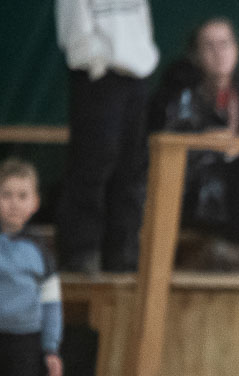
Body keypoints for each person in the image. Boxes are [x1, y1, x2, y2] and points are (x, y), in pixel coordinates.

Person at [148, 17, 239, 273]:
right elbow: (167, 150)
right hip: (197, 195)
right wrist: (210, 145)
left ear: (236, 50)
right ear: (195, 55)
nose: (219, 53)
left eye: (225, 44)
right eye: (209, 46)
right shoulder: (176, 94)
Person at [55, 0, 159, 274]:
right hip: (98, 78)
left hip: (136, 77)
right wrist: (97, 66)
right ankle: (81, 251)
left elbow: (142, 23)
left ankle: (122, 253)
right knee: (93, 162)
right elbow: (74, 30)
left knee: (131, 166)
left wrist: (141, 61)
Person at [0, 160, 63, 376]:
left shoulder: (40, 249)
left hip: (25, 343)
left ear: (35, 203)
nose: (14, 203)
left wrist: (51, 348)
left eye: (22, 195)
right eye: (6, 194)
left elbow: (51, 303)